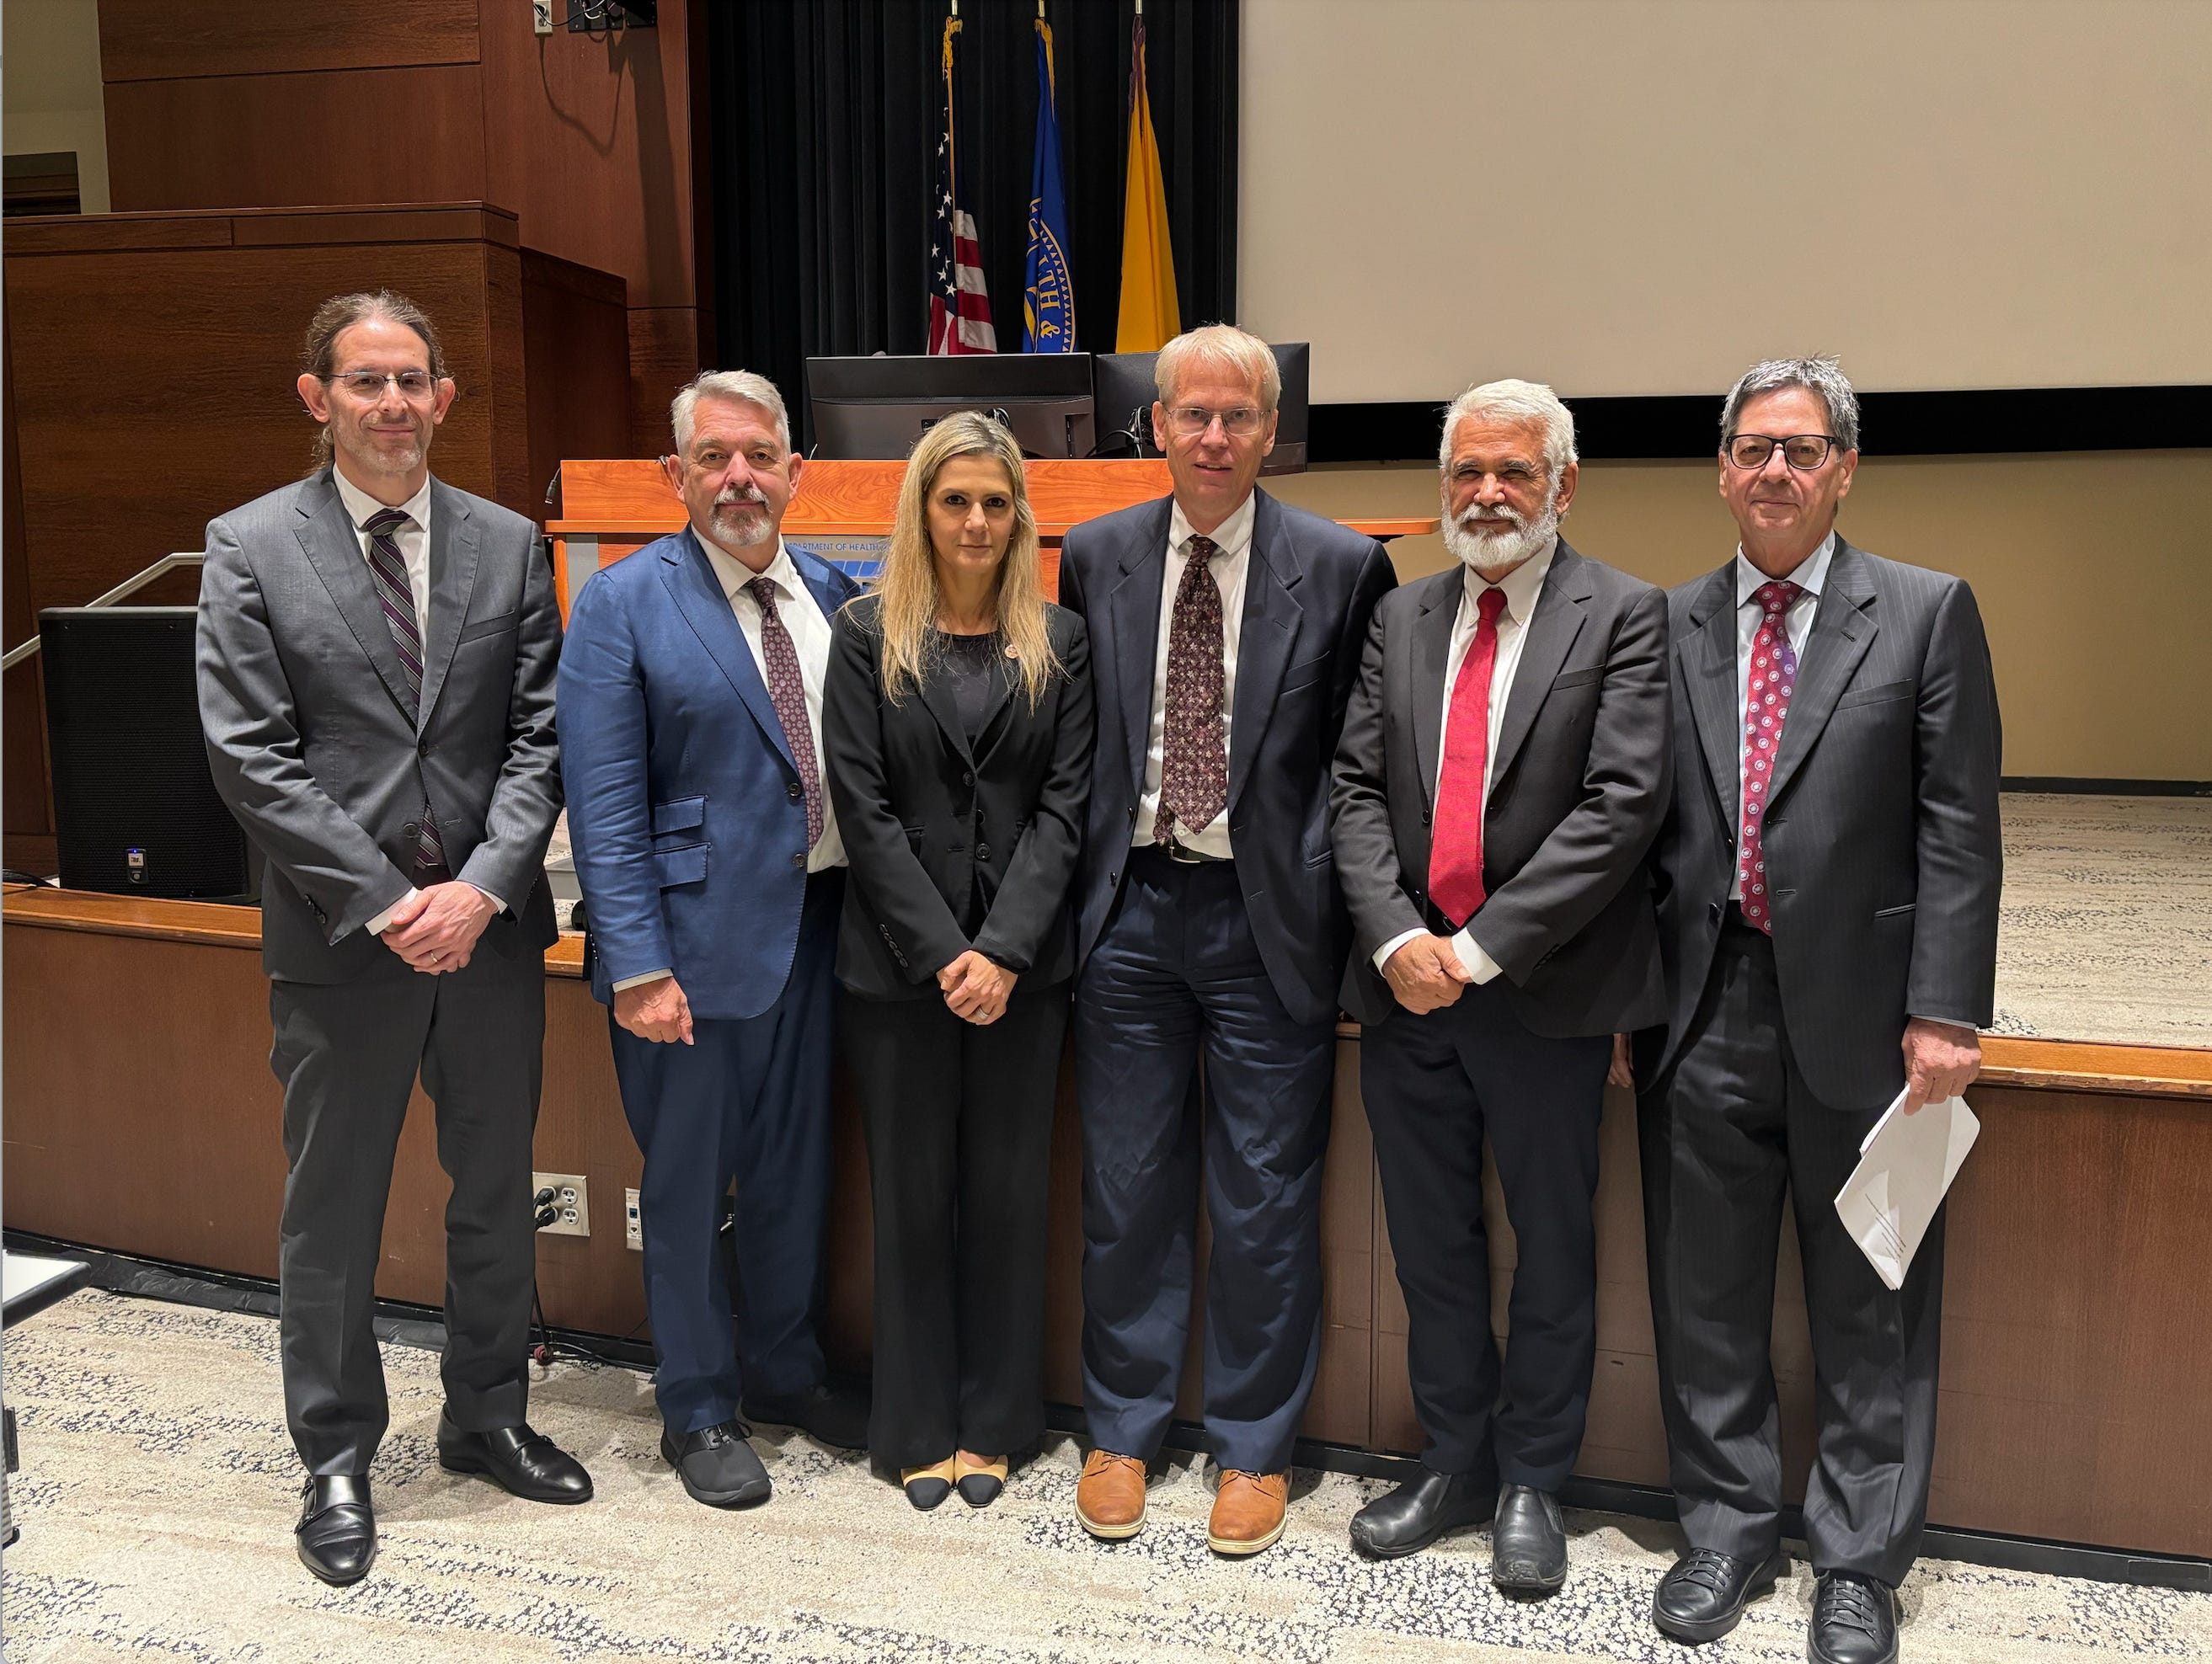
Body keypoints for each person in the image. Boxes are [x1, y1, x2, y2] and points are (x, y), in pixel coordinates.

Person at [196, 291, 585, 1587]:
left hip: (489, 935)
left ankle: (488, 1416)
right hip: (339, 941)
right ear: (318, 398)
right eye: (365, 381)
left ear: (445, 397)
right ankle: (335, 1455)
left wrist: (477, 890)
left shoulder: (508, 543)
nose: (393, 403)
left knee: (495, 1193)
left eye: (412, 379)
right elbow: (250, 757)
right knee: (334, 1210)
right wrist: (386, 901)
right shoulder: (249, 546)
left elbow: (540, 738)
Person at [1632, 358, 2001, 1664]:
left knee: (1869, 1298)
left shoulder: (1923, 612)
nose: (1773, 471)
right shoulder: (1668, 623)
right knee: (1705, 1292)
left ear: (1844, 468)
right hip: (1702, 1003)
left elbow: (1956, 827)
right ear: (1720, 471)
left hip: (1869, 1013)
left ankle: (1856, 1563)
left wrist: (1945, 1009)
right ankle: (1724, 1530)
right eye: (1751, 449)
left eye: (1799, 449)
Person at [1055, 324, 1397, 1556]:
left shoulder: (1344, 566)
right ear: (1155, 425)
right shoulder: (1094, 555)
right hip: (1129, 912)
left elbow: (1358, 765)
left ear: (1270, 431)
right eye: (1191, 415)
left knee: (1263, 1195)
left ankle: (1254, 1445)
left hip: (1268, 921)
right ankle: (1123, 1427)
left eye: (1236, 416)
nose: (1213, 437)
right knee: (1126, 1187)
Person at [1329, 380, 1670, 1588]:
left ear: (1562, 486)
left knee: (1553, 1248)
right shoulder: (1401, 614)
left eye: (1513, 472)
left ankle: (1533, 1478)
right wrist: (1394, 941)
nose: (1486, 494)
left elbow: (1621, 806)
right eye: (1466, 472)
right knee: (1429, 1243)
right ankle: (1455, 1459)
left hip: (1542, 993)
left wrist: (1473, 952)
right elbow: (1353, 790)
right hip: (1404, 990)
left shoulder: (1624, 614)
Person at [558, 370, 868, 1511]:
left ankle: (785, 1371)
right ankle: (696, 1403)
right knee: (688, 1189)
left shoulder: (835, 595)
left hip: (824, 933)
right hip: (687, 952)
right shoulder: (623, 601)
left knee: (794, 1171)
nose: (740, 478)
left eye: (760, 457)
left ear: (796, 471)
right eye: (713, 458)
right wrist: (637, 965)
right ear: (674, 475)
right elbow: (603, 803)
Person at [821, 413, 1093, 1511]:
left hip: (1025, 976)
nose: (976, 521)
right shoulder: (863, 634)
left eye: (994, 502)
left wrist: (1004, 951)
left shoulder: (1060, 640)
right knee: (911, 1201)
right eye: (955, 501)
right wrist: (946, 954)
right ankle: (915, 1426)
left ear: (1018, 515)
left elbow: (1067, 809)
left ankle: (996, 1424)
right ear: (921, 511)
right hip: (899, 971)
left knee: (1008, 1200)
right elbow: (862, 805)